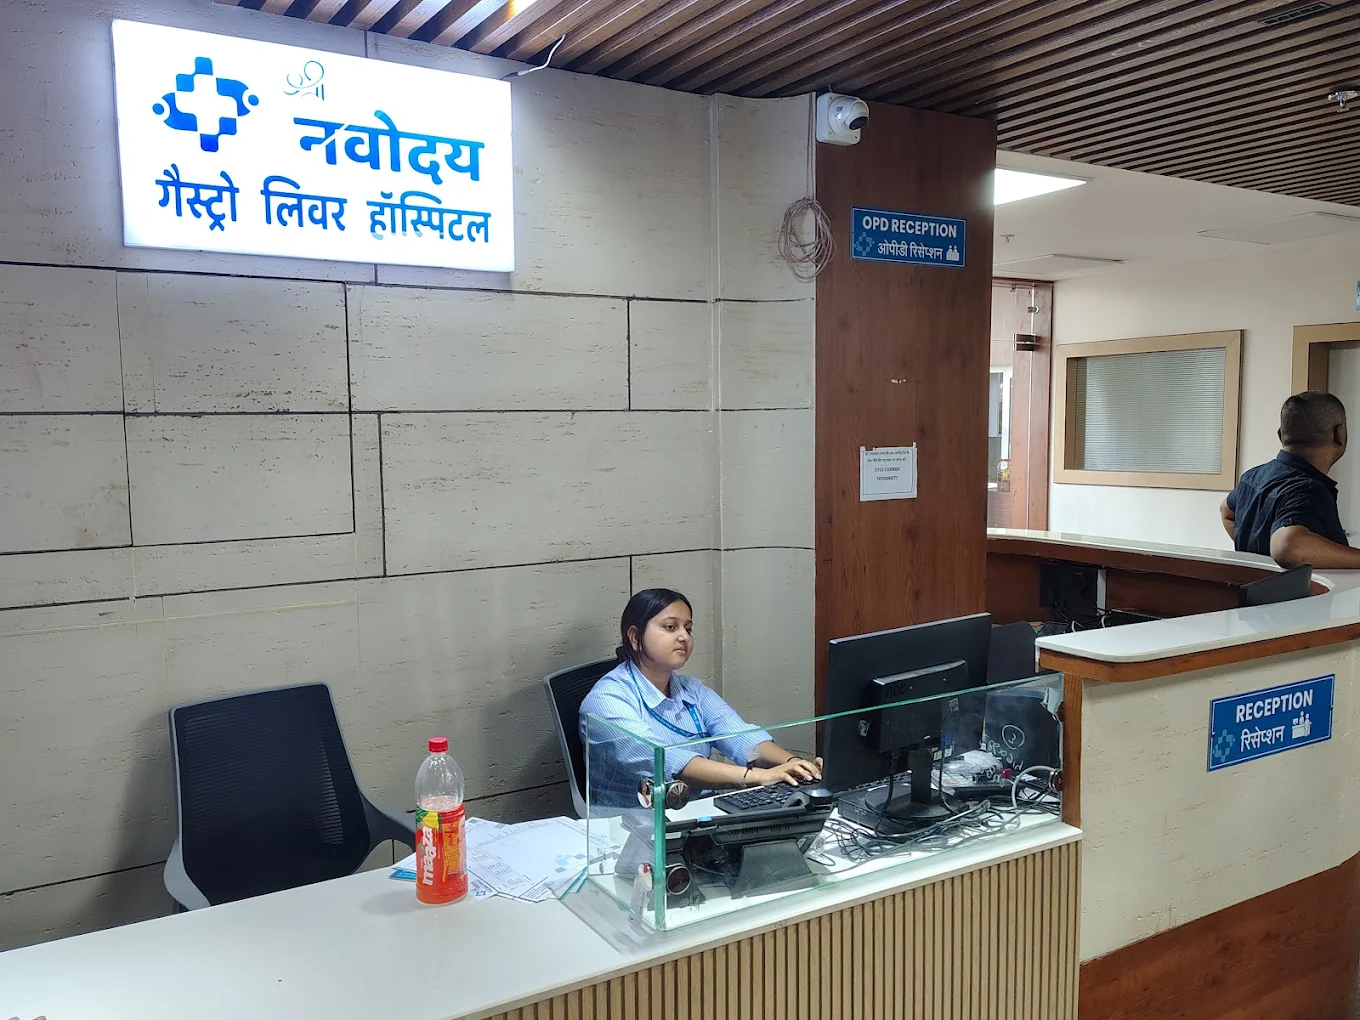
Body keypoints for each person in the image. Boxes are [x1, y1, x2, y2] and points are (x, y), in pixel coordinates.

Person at [580, 588, 820, 809]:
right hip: (629, 824)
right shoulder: (606, 700)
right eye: (670, 627)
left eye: (688, 629)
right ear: (635, 637)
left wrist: (795, 765)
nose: (684, 637)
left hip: (697, 811)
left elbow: (742, 740)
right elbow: (669, 761)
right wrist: (759, 777)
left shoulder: (691, 689)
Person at [1221, 390, 1360, 569]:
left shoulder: (1252, 477)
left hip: (1251, 587)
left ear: (1281, 435)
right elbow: (1287, 546)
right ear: (1339, 434)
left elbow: (1226, 511)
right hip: (1300, 589)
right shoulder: (1309, 489)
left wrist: (1259, 559)